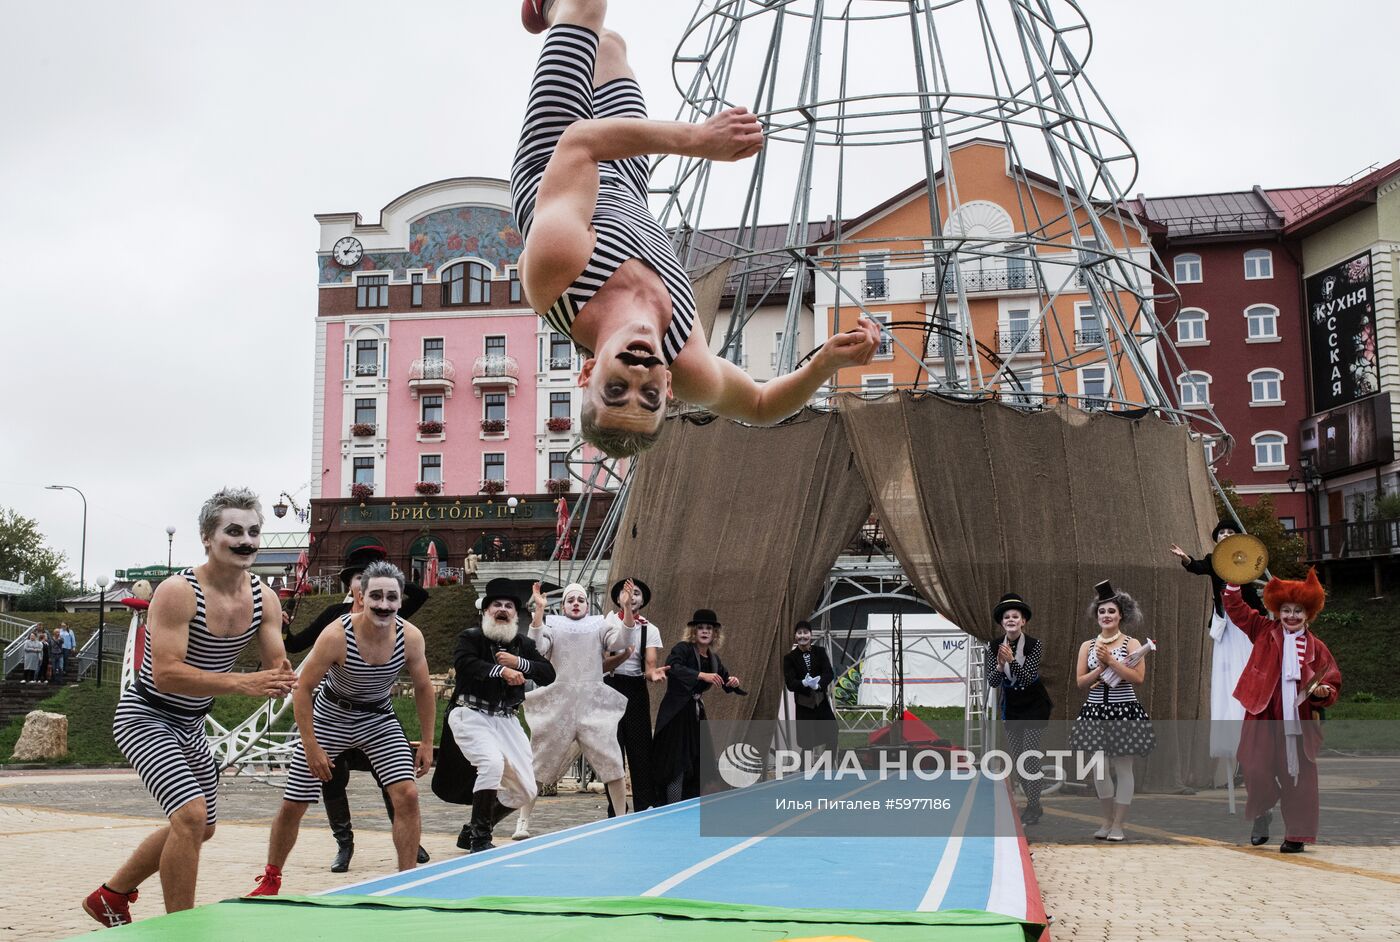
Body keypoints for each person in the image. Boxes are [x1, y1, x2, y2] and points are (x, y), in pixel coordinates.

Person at [511, 0, 881, 458]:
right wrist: (827, 362)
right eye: (647, 397)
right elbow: (761, 406)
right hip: (627, 179)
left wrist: (700, 141)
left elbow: (582, 141)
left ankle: (547, 8)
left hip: (557, 153)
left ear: (587, 374)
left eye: (615, 389)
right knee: (610, 47)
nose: (638, 373)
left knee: (587, 7)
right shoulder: (686, 361)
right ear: (667, 389)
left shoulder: (557, 273)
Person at [83, 488, 296, 927]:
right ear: (206, 537)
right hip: (146, 714)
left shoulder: (265, 598)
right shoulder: (178, 592)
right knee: (190, 815)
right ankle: (183, 929)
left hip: (190, 723)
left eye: (254, 532)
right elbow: (167, 674)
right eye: (233, 531)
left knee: (203, 827)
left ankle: (111, 896)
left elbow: (275, 661)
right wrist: (246, 682)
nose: (246, 541)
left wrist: (282, 673)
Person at [248, 562, 437, 895]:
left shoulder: (411, 637)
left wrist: (425, 741)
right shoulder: (337, 635)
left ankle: (408, 881)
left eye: (391, 597)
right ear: (360, 596)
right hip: (330, 714)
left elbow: (423, 688)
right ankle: (271, 878)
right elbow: (302, 689)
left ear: (400, 601)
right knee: (295, 801)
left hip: (378, 718)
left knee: (406, 794)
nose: (383, 604)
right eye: (375, 595)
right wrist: (311, 746)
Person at [1222, 568, 1341, 853]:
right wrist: (1233, 580)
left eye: (1298, 611)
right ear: (1277, 611)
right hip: (1261, 712)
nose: (1291, 616)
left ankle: (1296, 835)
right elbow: (1236, 609)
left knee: (1299, 775)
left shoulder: (1317, 647)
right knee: (1253, 767)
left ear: (1308, 614)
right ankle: (1262, 812)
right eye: (1286, 610)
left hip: (1298, 718)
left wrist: (1325, 692)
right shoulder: (1263, 630)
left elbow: (1331, 680)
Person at [446, 578, 557, 853]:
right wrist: (501, 671)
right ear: (486, 611)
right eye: (497, 605)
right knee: (492, 764)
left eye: (508, 606)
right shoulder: (471, 638)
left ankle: (472, 831)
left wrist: (519, 663)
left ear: (514, 615)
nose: (503, 609)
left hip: (506, 719)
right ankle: (480, 840)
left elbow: (548, 674)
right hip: (470, 714)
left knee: (526, 790)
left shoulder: (521, 644)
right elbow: (465, 663)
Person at [511, 581, 629, 839]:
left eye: (581, 599)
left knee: (612, 760)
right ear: (563, 605)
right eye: (570, 600)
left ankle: (622, 818)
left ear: (587, 604)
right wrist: (539, 613)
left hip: (592, 699)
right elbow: (537, 648)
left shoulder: (600, 624)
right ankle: (522, 821)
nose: (576, 603)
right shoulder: (552, 625)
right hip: (559, 700)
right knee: (538, 762)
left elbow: (621, 640)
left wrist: (627, 609)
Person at [1170, 519, 1265, 764]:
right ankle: (1231, 739)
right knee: (1225, 672)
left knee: (1244, 666)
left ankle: (1250, 729)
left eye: (1230, 531)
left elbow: (1253, 593)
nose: (1225, 534)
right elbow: (1198, 567)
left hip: (1244, 622)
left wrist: (1264, 617)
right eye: (1221, 532)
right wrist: (1185, 559)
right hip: (1224, 622)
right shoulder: (1214, 560)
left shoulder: (1245, 559)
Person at [1069, 581, 1154, 843]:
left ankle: (1119, 824)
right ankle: (1106, 820)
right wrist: (1099, 670)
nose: (1106, 616)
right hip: (1095, 709)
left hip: (1123, 709)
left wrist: (1111, 662)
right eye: (1102, 611)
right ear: (1097, 615)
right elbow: (1081, 682)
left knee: (1123, 767)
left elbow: (1138, 678)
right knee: (1099, 768)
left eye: (1111, 611)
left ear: (1121, 615)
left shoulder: (1131, 643)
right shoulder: (1087, 645)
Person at [651, 608, 741, 805]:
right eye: (700, 628)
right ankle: (670, 808)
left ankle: (690, 807)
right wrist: (700, 675)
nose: (705, 631)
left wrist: (732, 682)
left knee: (699, 762)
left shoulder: (713, 659)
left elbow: (723, 679)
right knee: (677, 764)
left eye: (709, 628)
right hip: (676, 715)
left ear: (715, 633)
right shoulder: (682, 649)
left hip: (695, 716)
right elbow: (673, 667)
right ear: (694, 631)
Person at [983, 594, 1054, 825]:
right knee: (1019, 760)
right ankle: (1034, 804)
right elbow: (993, 681)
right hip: (1012, 707)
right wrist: (1001, 664)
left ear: (1023, 621)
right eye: (1007, 617)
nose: (1011, 620)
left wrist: (1011, 660)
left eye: (1016, 616)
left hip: (1034, 705)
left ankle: (1033, 806)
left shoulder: (1034, 644)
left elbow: (1025, 678)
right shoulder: (994, 646)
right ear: (1002, 622)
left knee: (1030, 757)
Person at [602, 577, 665, 815]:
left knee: (641, 751)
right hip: (610, 686)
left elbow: (649, 665)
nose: (632, 596)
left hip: (636, 689)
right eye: (627, 592)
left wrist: (654, 674)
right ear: (618, 598)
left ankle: (644, 807)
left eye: (637, 593)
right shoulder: (606, 624)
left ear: (643, 599)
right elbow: (603, 662)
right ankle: (616, 809)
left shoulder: (650, 628)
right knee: (612, 750)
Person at [781, 621, 837, 766]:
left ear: (811, 635)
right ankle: (804, 773)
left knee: (832, 734)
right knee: (807, 743)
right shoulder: (789, 658)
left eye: (805, 632)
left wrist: (818, 684)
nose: (802, 636)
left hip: (821, 702)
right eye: (799, 633)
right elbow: (790, 683)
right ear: (795, 636)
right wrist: (804, 684)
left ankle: (825, 767)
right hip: (804, 705)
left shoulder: (820, 652)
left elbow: (829, 673)